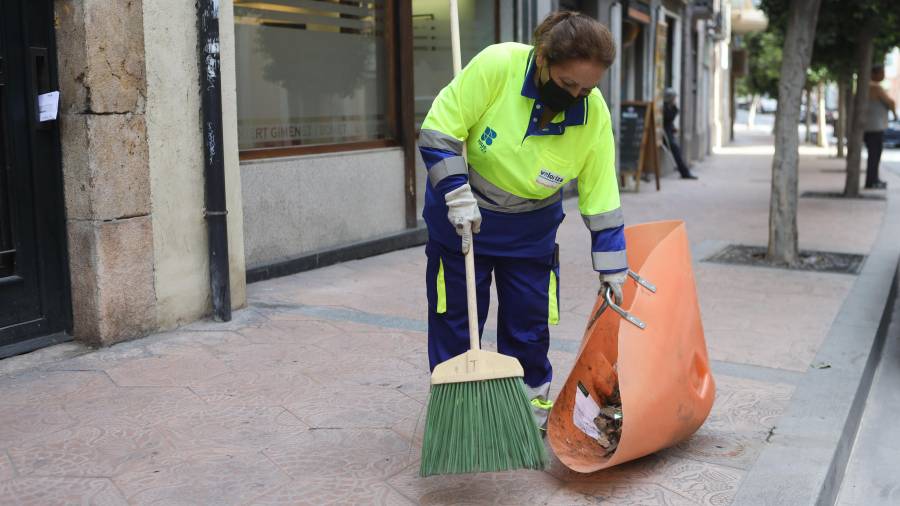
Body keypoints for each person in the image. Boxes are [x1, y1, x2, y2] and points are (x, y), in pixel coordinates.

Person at [417, 11, 626, 432]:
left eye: (587, 88)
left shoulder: (594, 115)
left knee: (528, 325)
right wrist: (456, 194)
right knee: (456, 318)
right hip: (463, 221)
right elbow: (439, 131)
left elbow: (601, 193)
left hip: (531, 232)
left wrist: (612, 266)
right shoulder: (499, 66)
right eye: (568, 84)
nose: (576, 95)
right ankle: (458, 417)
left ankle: (526, 414)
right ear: (544, 60)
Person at [864, 65, 897, 189]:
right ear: (874, 74)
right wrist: (894, 115)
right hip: (874, 127)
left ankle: (873, 179)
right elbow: (891, 102)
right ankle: (872, 181)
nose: (883, 76)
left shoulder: (866, 86)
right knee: (875, 155)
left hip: (869, 126)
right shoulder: (875, 87)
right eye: (881, 73)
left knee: (873, 155)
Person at [663, 88, 697, 179]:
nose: (675, 100)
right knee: (675, 149)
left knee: (677, 149)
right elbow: (667, 119)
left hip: (668, 132)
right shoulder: (665, 107)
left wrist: (673, 128)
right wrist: (675, 108)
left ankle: (684, 170)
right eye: (674, 98)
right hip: (664, 134)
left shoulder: (670, 107)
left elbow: (669, 121)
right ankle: (684, 172)